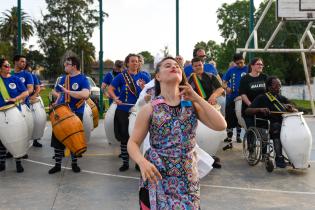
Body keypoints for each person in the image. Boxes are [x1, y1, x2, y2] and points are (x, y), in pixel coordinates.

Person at [127, 56, 226, 209]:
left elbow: (221, 125)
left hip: (187, 179)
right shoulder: (150, 109)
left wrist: (197, 98)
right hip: (157, 175)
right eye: (167, 65)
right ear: (158, 76)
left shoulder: (192, 106)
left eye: (177, 66)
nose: (174, 67)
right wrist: (142, 162)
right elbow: (133, 143)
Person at [108, 53, 150, 172]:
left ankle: (138, 162)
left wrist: (144, 89)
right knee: (124, 137)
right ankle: (125, 163)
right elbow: (110, 89)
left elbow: (150, 92)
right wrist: (115, 98)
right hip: (124, 109)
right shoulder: (121, 76)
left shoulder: (144, 76)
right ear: (127, 63)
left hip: (139, 111)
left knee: (139, 137)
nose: (135, 63)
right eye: (132, 61)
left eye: (137, 61)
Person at [48, 56, 90, 174]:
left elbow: (85, 94)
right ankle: (57, 165)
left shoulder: (82, 79)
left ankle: (74, 164)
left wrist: (69, 92)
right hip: (61, 113)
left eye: (67, 64)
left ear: (74, 66)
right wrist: (56, 102)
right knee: (57, 140)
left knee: (74, 139)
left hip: (75, 114)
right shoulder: (63, 79)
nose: (65, 66)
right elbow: (56, 92)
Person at [245, 76, 297, 168]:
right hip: (266, 125)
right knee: (276, 127)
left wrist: (291, 108)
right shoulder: (262, 97)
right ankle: (279, 158)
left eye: (280, 85)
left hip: (283, 125)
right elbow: (248, 111)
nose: (279, 88)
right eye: (276, 86)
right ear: (269, 87)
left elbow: (295, 109)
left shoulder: (282, 99)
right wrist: (260, 109)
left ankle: (295, 158)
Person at [188, 56, 224, 169]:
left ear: (203, 65)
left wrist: (213, 95)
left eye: (200, 65)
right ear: (192, 67)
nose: (198, 67)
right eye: (196, 66)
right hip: (196, 107)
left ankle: (212, 155)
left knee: (215, 133)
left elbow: (220, 89)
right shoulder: (189, 79)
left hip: (209, 105)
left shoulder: (210, 76)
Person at [0, 58, 29, 173]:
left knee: (16, 137)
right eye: (6, 66)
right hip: (1, 114)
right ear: (0, 68)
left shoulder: (15, 79)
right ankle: (1, 162)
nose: (9, 67)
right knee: (1, 140)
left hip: (14, 112)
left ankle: (18, 162)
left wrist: (16, 98)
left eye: (8, 65)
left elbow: (26, 92)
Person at [6, 55, 34, 159]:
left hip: (23, 105)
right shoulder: (8, 74)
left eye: (24, 62)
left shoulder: (27, 75)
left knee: (23, 129)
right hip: (9, 106)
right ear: (15, 62)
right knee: (11, 129)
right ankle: (11, 150)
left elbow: (30, 89)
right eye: (22, 61)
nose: (24, 63)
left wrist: (20, 98)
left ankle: (23, 150)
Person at [222, 53, 248, 146]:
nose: (239, 65)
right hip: (230, 97)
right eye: (237, 63)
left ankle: (238, 136)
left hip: (242, 98)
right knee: (229, 116)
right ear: (234, 63)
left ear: (243, 60)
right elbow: (223, 82)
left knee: (239, 116)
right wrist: (226, 88)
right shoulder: (231, 70)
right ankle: (229, 136)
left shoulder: (248, 69)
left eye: (241, 62)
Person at [239, 58, 268, 128]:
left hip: (262, 110)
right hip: (249, 110)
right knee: (252, 131)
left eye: (261, 64)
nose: (260, 66)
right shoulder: (245, 78)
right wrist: (252, 106)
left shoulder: (265, 77)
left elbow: (268, 92)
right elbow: (243, 94)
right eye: (258, 64)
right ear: (252, 66)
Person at [25, 63, 43, 147]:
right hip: (22, 101)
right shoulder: (17, 76)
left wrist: (34, 96)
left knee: (36, 121)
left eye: (30, 70)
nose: (29, 72)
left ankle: (35, 140)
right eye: (27, 70)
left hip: (31, 100)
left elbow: (39, 87)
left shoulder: (33, 76)